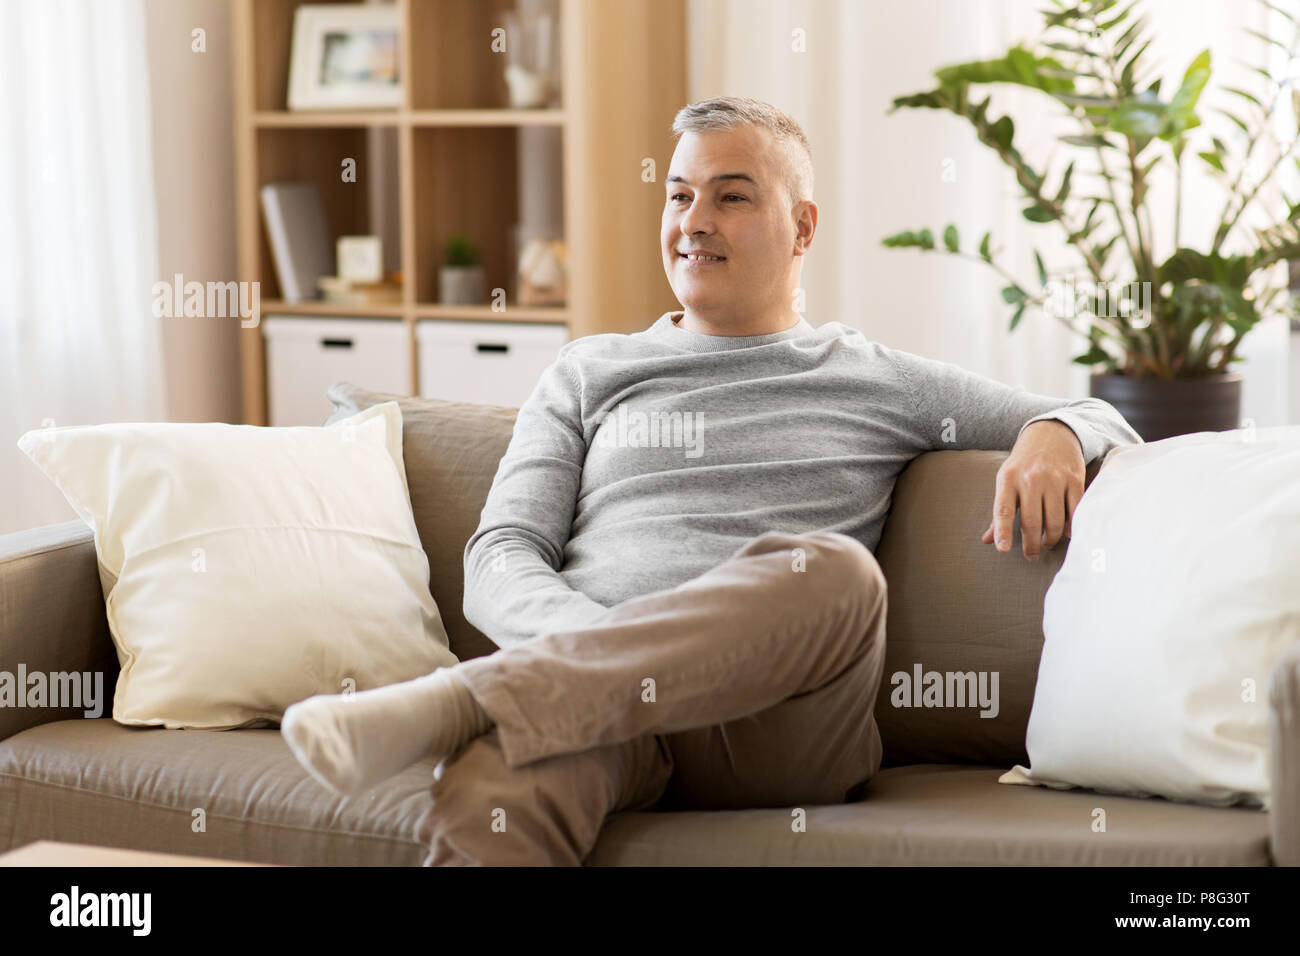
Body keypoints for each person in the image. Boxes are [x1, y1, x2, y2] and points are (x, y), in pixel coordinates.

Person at [281, 95, 1142, 866]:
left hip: (776, 732)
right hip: (597, 708)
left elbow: (1108, 416)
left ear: (802, 227)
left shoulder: (874, 376)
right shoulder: (590, 372)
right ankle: (525, 698)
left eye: (732, 196)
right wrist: (594, 657)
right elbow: (502, 551)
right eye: (680, 194)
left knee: (832, 573)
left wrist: (1057, 430)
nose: (695, 219)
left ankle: (459, 700)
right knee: (501, 790)